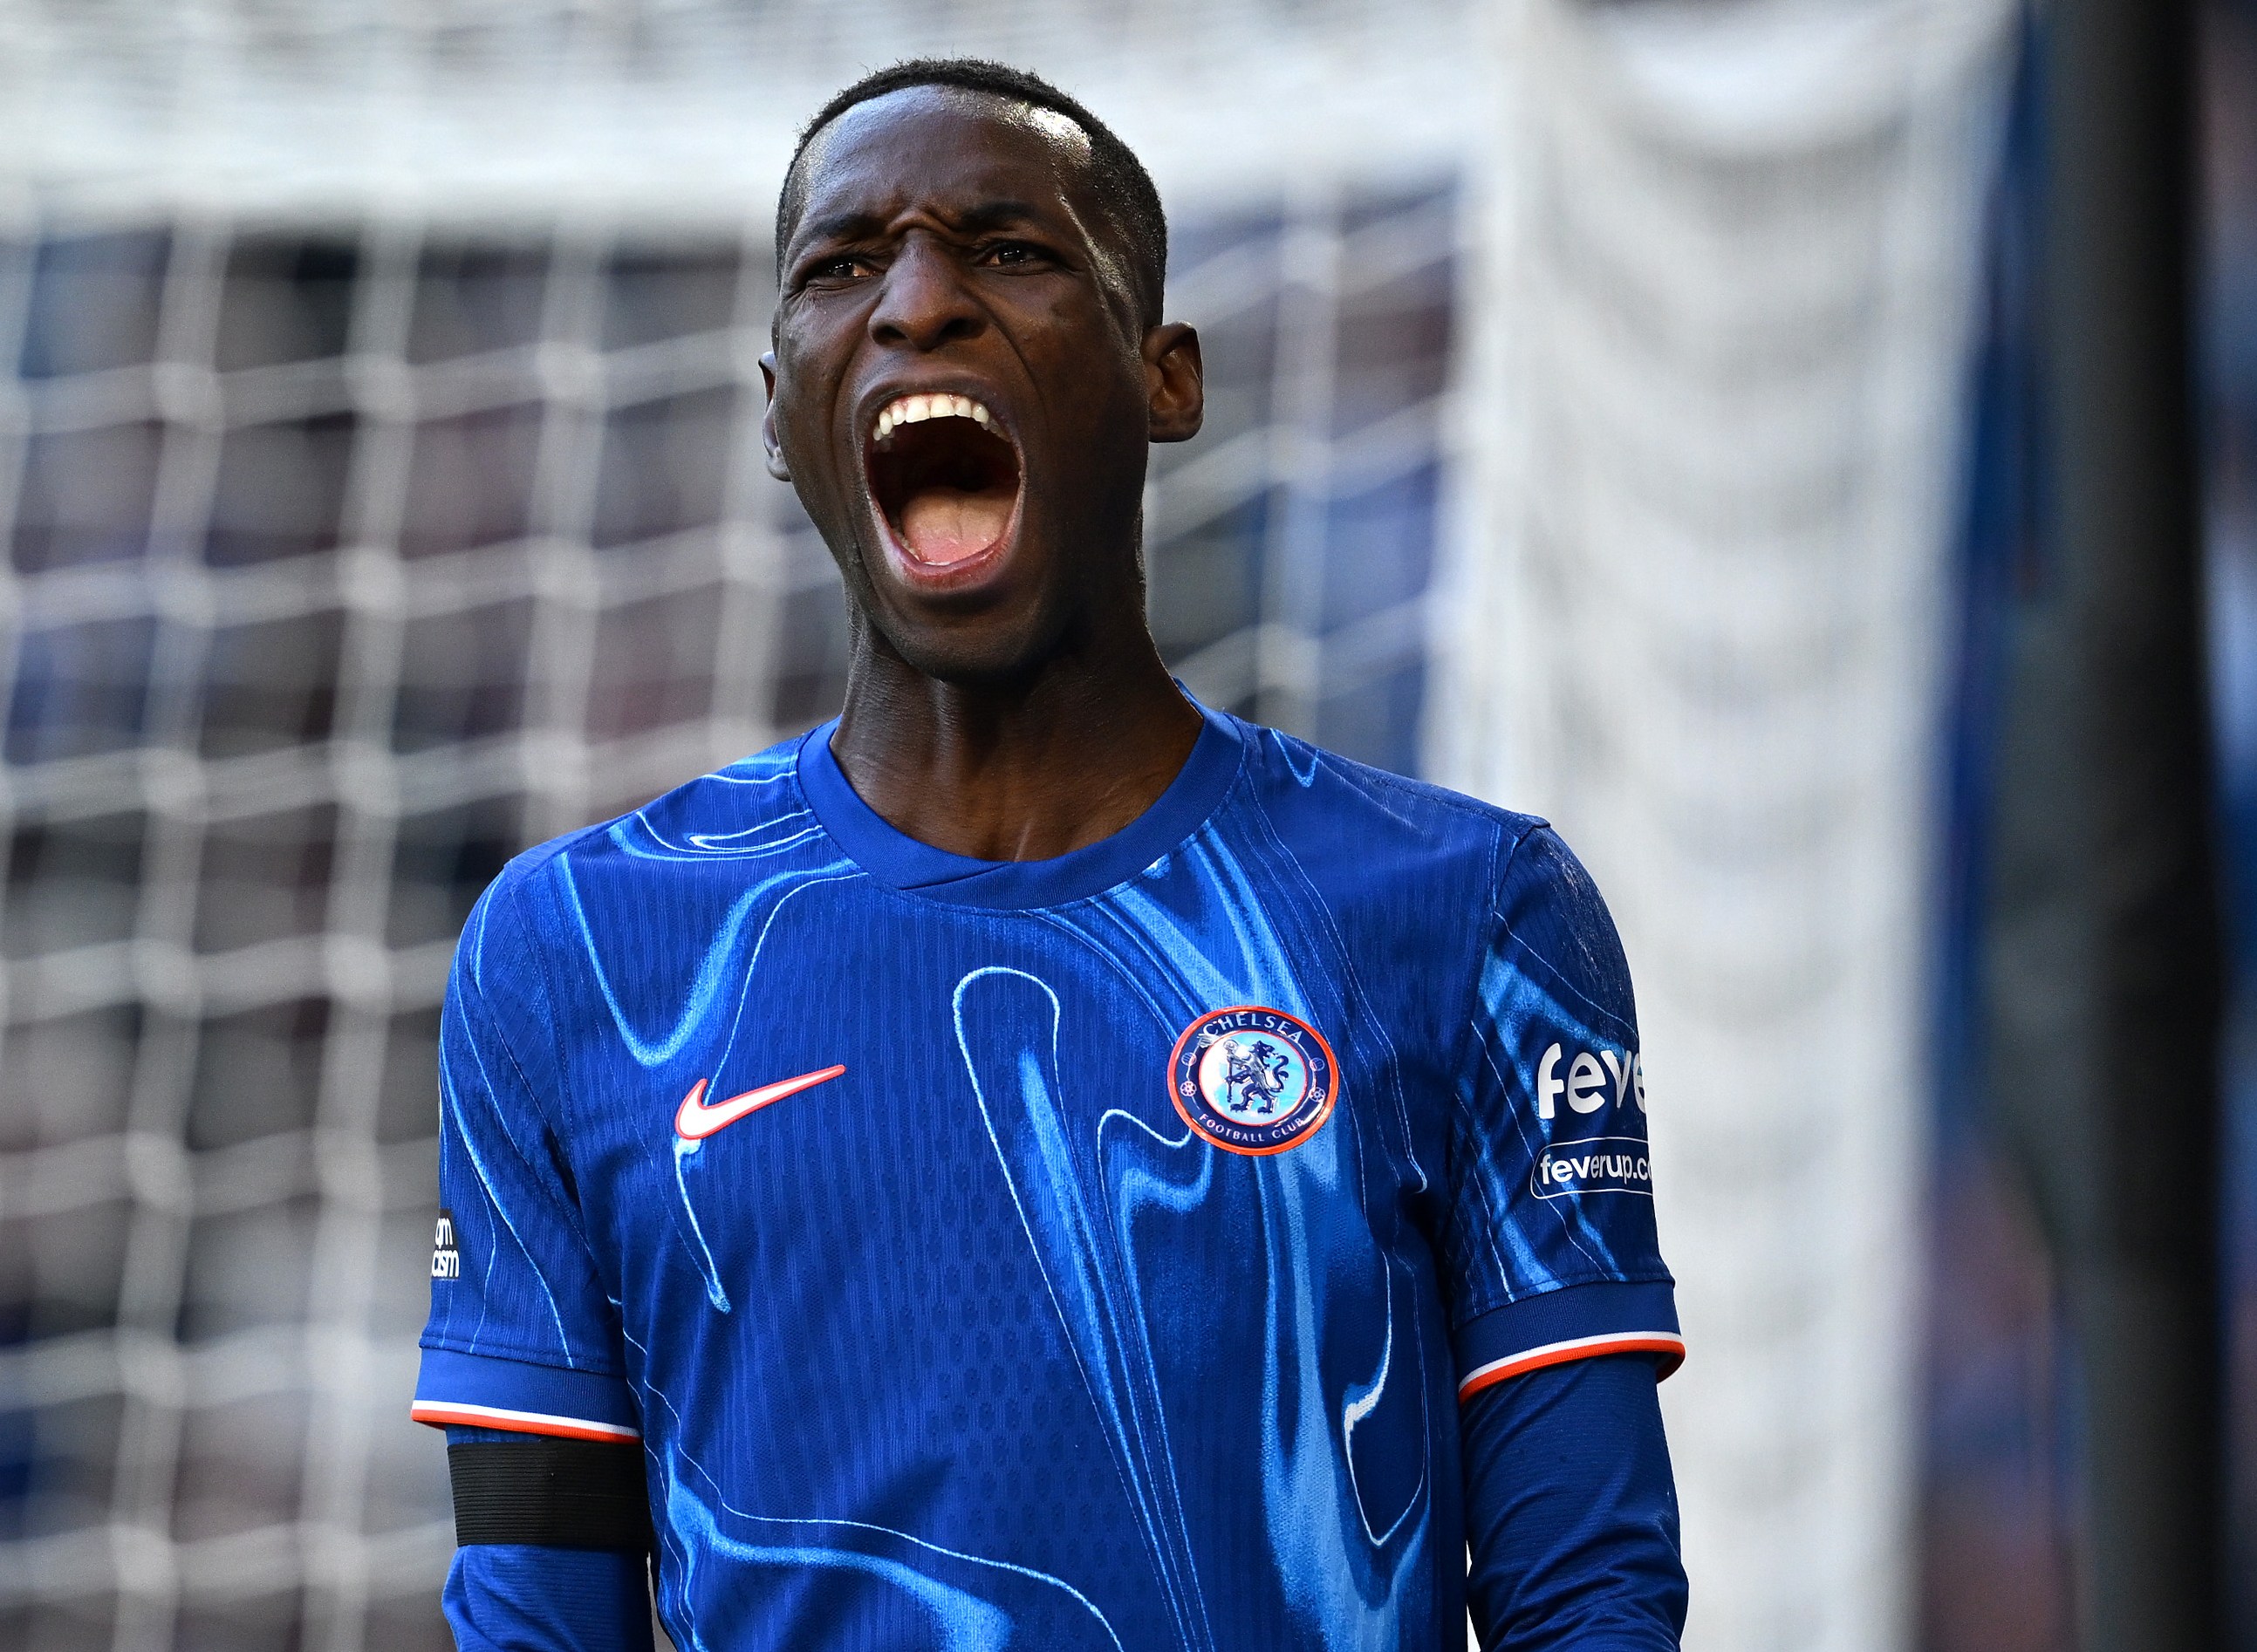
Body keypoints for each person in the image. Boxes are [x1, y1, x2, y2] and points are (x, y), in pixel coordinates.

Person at [413, 58, 1688, 1651]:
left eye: (1009, 250)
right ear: (777, 412)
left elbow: (1591, 1597)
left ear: (1167, 378)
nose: (917, 302)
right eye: (843, 266)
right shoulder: (576, 955)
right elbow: (534, 1621)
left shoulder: (1472, 913)